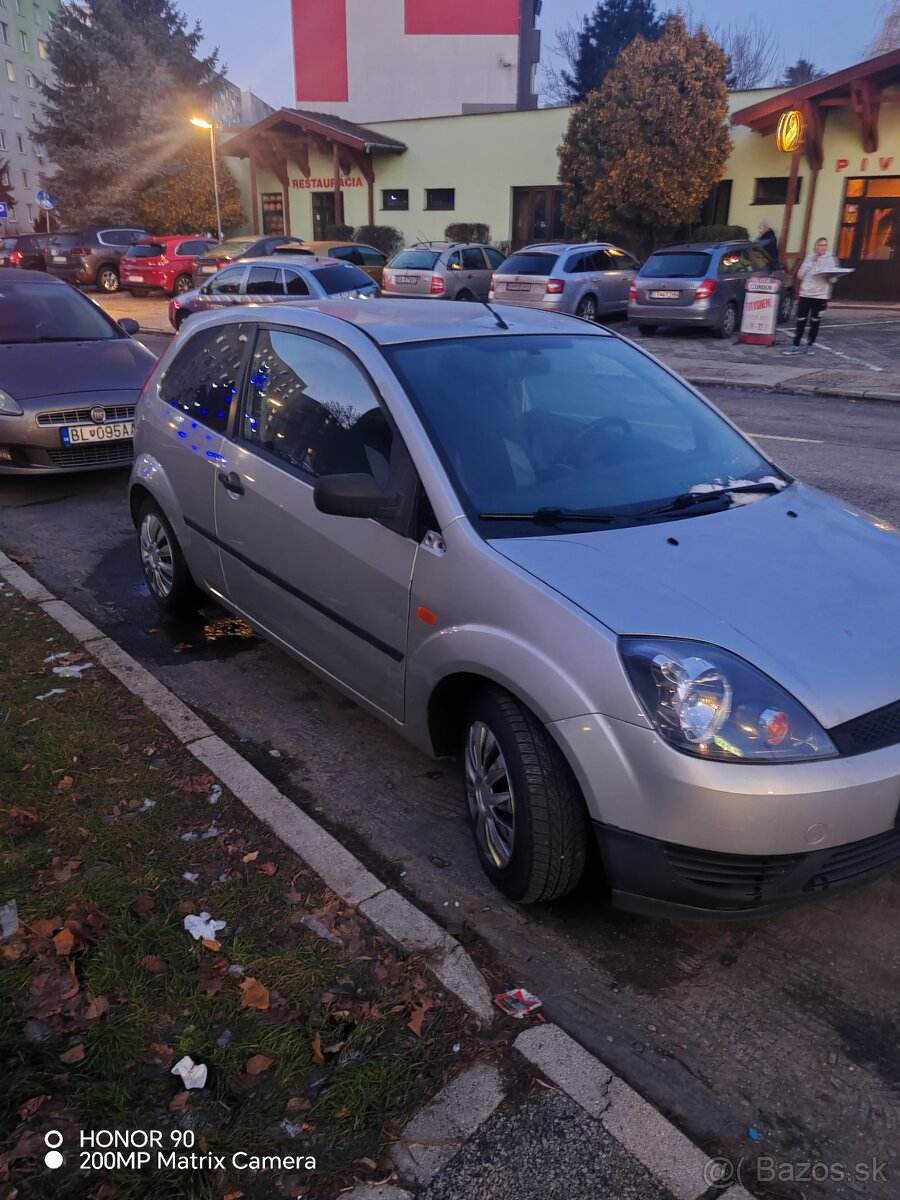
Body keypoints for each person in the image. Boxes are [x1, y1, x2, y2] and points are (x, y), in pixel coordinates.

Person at [783, 237, 840, 356]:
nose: (823, 248)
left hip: (820, 295)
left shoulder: (830, 259)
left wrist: (831, 276)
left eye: (825, 245)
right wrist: (810, 263)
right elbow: (800, 276)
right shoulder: (809, 257)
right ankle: (795, 345)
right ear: (816, 247)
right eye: (820, 245)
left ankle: (810, 345)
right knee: (801, 320)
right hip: (806, 293)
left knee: (815, 321)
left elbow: (833, 280)